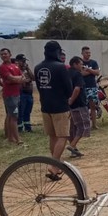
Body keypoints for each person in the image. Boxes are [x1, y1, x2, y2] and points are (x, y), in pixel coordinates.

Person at [34, 39, 74, 177]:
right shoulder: (60, 67)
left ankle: (56, 167)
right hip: (60, 106)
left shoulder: (37, 67)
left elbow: (39, 87)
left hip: (45, 105)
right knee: (62, 136)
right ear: (57, 52)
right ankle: (54, 164)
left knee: (52, 136)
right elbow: (69, 89)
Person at [0, 48, 24, 144]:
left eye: (5, 54)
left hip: (16, 93)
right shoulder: (2, 67)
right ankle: (17, 139)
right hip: (9, 94)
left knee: (12, 115)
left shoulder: (14, 66)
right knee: (13, 116)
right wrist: (15, 79)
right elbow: (10, 78)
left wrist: (15, 79)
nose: (4, 56)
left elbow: (23, 77)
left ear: (10, 54)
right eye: (2, 54)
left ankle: (11, 137)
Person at [66, 56, 90, 157]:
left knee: (73, 128)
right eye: (80, 64)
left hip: (70, 105)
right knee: (83, 126)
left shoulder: (67, 73)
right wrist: (72, 99)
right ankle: (72, 145)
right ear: (75, 64)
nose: (82, 66)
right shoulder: (77, 74)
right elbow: (77, 89)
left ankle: (74, 150)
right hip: (79, 104)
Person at [80, 46, 101, 128]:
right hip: (83, 87)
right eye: (86, 53)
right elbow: (81, 74)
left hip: (92, 87)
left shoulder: (93, 62)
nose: (88, 54)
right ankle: (85, 124)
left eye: (89, 53)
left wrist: (88, 70)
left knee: (93, 106)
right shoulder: (80, 62)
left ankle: (94, 125)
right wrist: (92, 71)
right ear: (82, 53)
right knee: (84, 107)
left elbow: (97, 72)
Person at [14, 54, 35, 132]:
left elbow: (33, 78)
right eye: (23, 61)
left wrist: (28, 68)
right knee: (21, 111)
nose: (24, 63)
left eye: (25, 61)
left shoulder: (26, 70)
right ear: (18, 61)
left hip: (29, 93)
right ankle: (20, 128)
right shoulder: (16, 70)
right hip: (21, 93)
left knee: (28, 111)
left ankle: (27, 127)